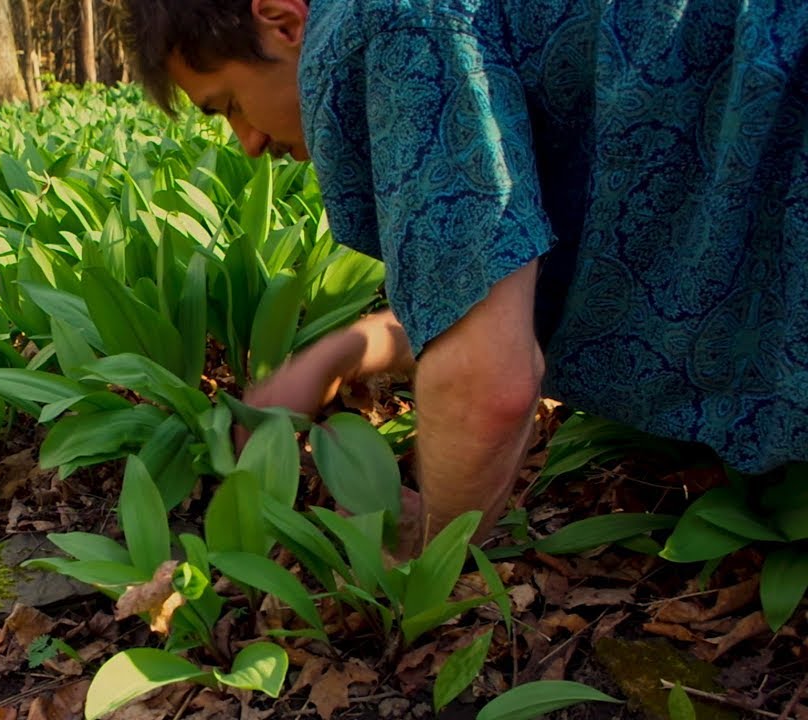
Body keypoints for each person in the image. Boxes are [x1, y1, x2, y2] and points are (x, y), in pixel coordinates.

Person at [120, 0, 808, 554]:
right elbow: (495, 279)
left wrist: (425, 552)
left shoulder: (385, 24)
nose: (246, 141)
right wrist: (341, 352)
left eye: (227, 104)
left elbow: (489, 385)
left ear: (283, 21)